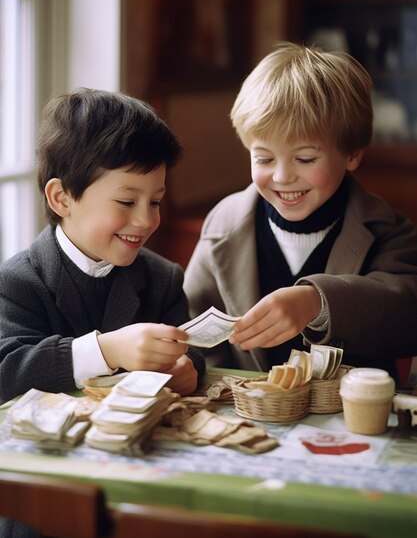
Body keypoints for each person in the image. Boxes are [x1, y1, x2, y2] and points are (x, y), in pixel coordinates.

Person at [184, 41, 417, 379]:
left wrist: (317, 302)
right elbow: (192, 325)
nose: (282, 177)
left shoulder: (386, 229)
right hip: (246, 415)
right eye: (264, 158)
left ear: (352, 154)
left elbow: (407, 314)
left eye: (305, 159)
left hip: (347, 419)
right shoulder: (225, 222)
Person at [0, 88, 205, 404]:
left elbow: (190, 348)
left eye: (155, 202)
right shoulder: (18, 281)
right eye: (126, 201)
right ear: (62, 198)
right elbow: (7, 369)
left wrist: (188, 368)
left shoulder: (163, 278)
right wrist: (106, 350)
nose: (145, 220)